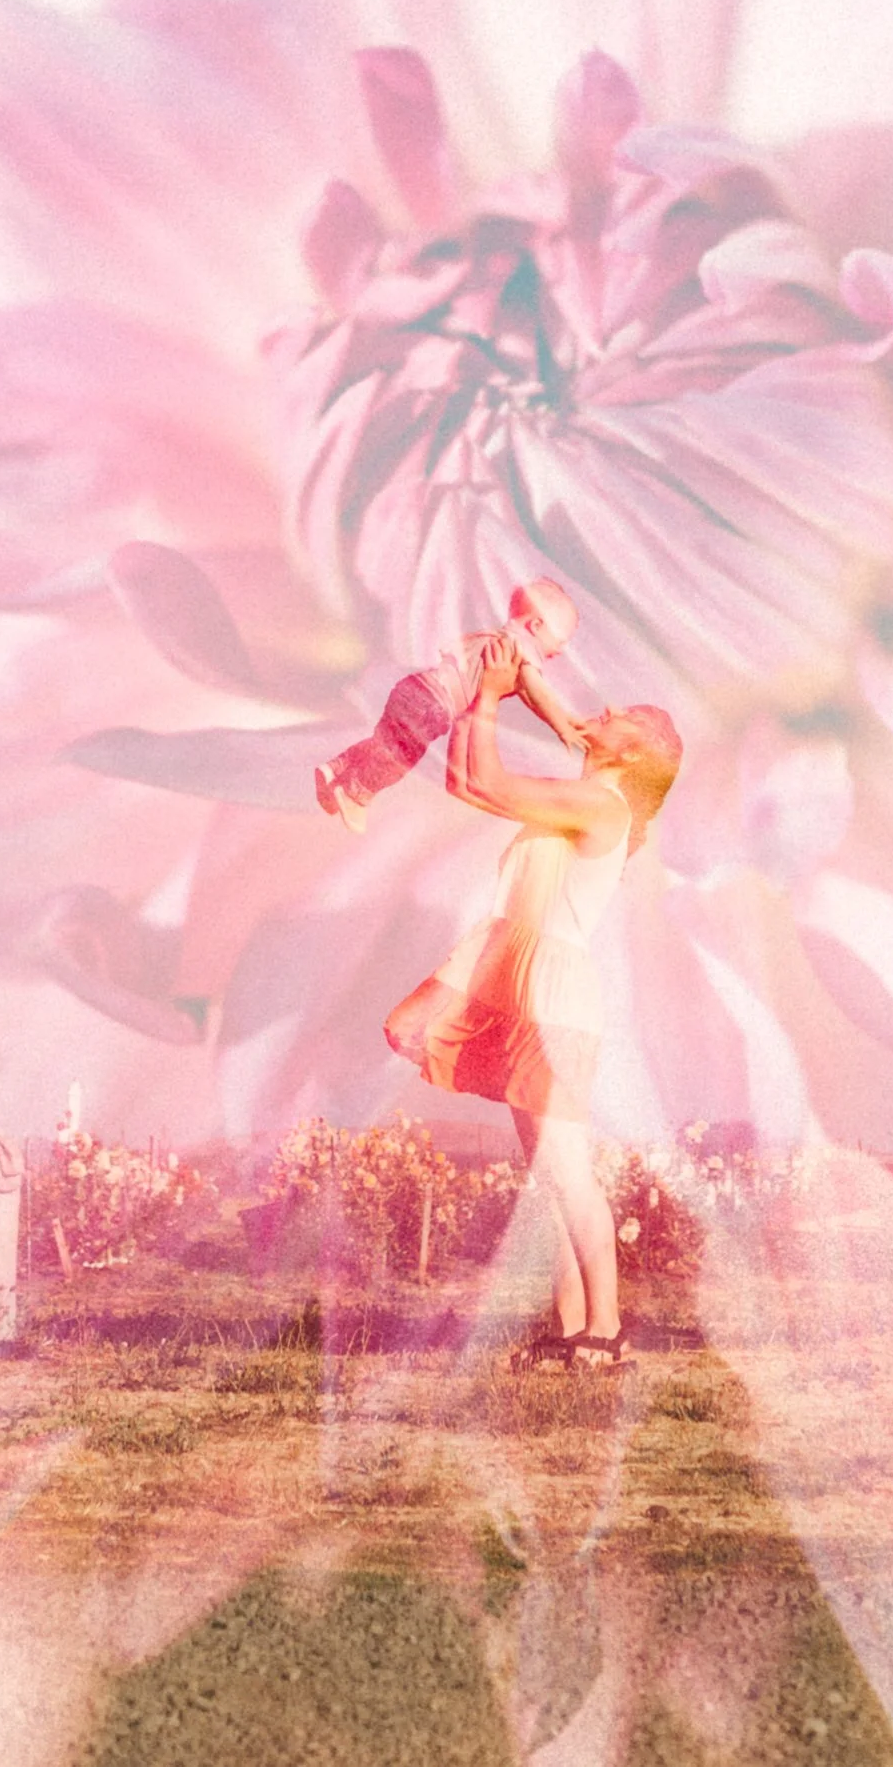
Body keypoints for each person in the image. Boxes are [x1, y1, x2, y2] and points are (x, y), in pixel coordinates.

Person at [383, 640, 683, 1370]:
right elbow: (477, 771)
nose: (604, 711)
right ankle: (572, 1327)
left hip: (553, 999)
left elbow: (476, 782)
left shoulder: (598, 804)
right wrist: (519, 690)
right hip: (532, 984)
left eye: (625, 720)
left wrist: (487, 695)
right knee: (551, 1174)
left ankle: (605, 1334)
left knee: (567, 1168)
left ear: (631, 757)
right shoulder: (591, 795)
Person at [313, 576, 579, 833]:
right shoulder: (522, 650)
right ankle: (356, 792)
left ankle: (336, 768)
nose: (563, 648)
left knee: (385, 742)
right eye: (562, 638)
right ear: (536, 626)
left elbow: (528, 695)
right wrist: (561, 726)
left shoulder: (493, 637)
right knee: (399, 758)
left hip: (415, 685)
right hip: (434, 706)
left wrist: (564, 719)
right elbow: (537, 693)